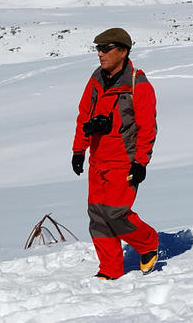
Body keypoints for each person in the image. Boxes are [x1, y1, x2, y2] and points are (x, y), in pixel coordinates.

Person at [71, 27, 159, 279]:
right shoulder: (96, 79)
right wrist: (79, 149)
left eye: (106, 49)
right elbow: (83, 116)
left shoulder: (138, 84)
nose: (100, 54)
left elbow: (147, 128)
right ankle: (110, 269)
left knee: (115, 212)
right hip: (98, 161)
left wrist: (141, 162)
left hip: (124, 163)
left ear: (123, 51)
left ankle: (147, 242)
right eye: (98, 48)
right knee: (98, 216)